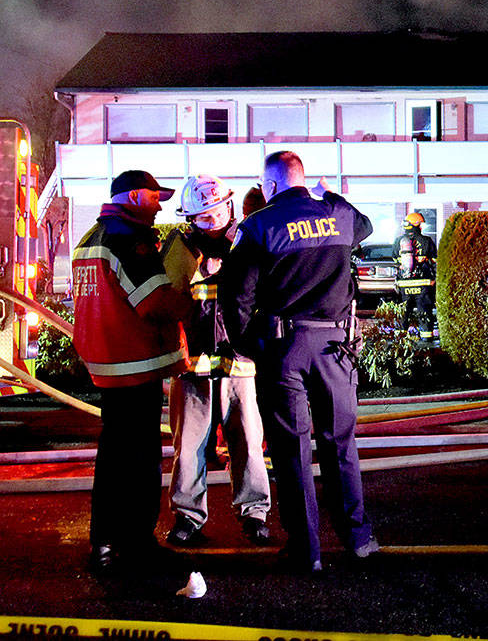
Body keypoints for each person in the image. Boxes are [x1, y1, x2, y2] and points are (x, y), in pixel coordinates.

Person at [220, 151, 377, 573]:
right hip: (336, 348)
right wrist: (331, 193)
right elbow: (365, 224)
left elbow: (235, 297)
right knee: (340, 444)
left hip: (285, 348)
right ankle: (359, 539)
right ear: (304, 180)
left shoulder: (258, 226)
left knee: (291, 450)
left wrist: (247, 345)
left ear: (270, 186)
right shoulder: (339, 217)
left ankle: (307, 550)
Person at [71, 170, 191, 572]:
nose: (160, 207)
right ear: (137, 197)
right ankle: (137, 544)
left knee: (113, 457)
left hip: (107, 364)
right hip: (135, 363)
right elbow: (154, 304)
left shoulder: (92, 236)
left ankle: (103, 543)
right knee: (141, 459)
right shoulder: (130, 240)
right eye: (156, 198)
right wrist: (190, 302)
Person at [161, 175, 271, 548]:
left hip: (240, 364)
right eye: (203, 218)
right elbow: (166, 298)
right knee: (188, 448)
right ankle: (188, 518)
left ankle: (255, 515)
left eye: (218, 212)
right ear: (191, 219)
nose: (212, 222)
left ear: (230, 204)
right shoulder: (180, 248)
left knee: (248, 443)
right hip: (193, 368)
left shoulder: (248, 241)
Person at [394, 212, 437, 335]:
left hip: (404, 284)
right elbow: (435, 261)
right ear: (418, 225)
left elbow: (395, 260)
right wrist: (434, 278)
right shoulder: (427, 241)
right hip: (423, 283)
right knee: (424, 311)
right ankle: (427, 336)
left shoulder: (398, 241)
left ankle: (401, 337)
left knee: (403, 312)